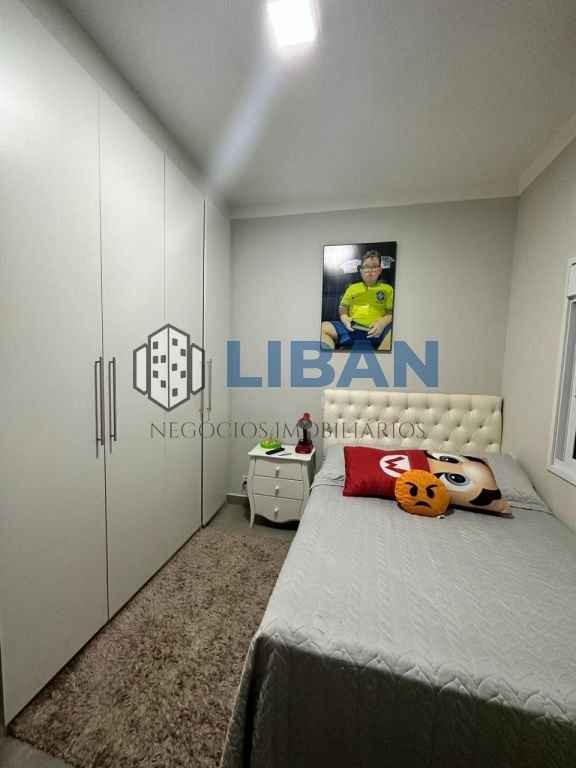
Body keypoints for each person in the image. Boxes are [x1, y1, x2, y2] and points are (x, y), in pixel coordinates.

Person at [321, 250, 394, 350]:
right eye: (366, 267)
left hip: (377, 330)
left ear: (380, 270)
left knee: (393, 332)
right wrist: (345, 318)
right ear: (361, 270)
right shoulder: (352, 288)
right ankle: (327, 355)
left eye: (374, 266)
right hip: (351, 328)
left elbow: (390, 312)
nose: (370, 270)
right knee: (323, 327)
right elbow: (343, 307)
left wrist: (382, 323)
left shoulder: (388, 289)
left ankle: (382, 357)